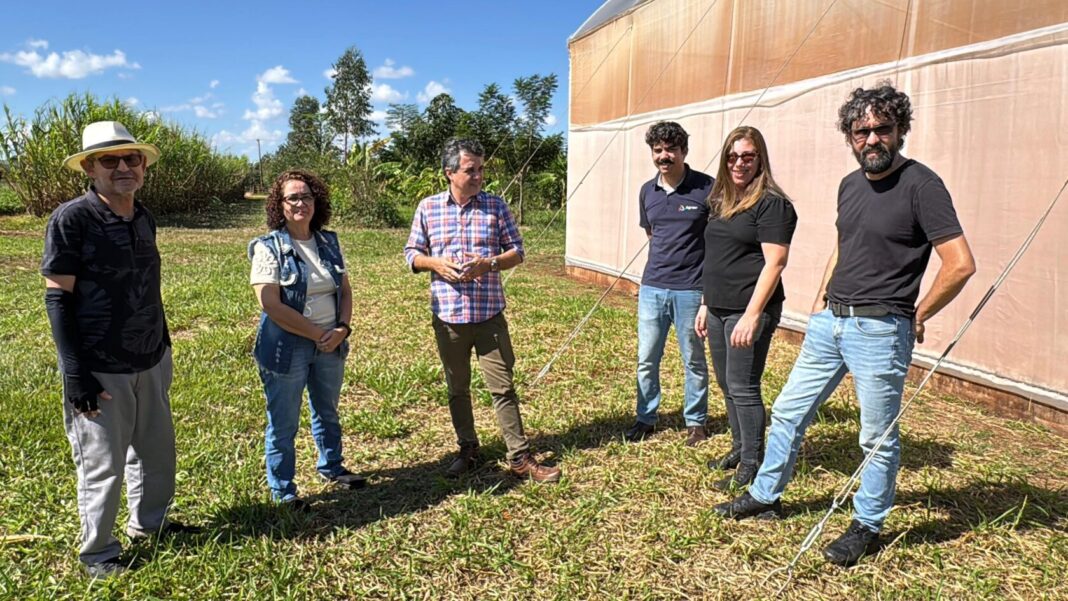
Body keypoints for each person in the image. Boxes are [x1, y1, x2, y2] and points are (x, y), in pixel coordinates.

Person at [714, 83, 977, 567]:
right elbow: (843, 247)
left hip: (880, 331)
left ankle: (867, 525)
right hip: (830, 323)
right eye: (862, 131)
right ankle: (766, 495)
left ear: (900, 130)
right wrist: (819, 305)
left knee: (875, 437)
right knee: (791, 412)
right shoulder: (850, 184)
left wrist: (917, 314)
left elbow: (960, 263)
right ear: (850, 135)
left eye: (882, 129)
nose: (872, 139)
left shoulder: (923, 185)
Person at [43, 121, 197, 579]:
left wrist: (164, 342)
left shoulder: (143, 215)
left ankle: (150, 527)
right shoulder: (72, 218)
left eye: (132, 158)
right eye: (109, 160)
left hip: (150, 357)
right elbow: (57, 298)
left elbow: (148, 285)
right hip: (100, 365)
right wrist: (76, 373)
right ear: (90, 168)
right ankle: (98, 553)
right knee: (102, 465)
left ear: (144, 166)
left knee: (156, 453)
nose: (123, 167)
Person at [404, 138, 560, 483]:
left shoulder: (495, 206)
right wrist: (435, 264)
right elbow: (411, 254)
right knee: (457, 387)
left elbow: (517, 252)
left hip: (489, 316)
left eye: (481, 169)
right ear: (450, 173)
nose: (478, 176)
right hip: (449, 318)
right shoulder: (428, 208)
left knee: (502, 387)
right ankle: (468, 448)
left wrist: (489, 263)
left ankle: (519, 458)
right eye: (470, 170)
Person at [249, 169, 366, 509]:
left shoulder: (328, 241)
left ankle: (332, 467)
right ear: (279, 205)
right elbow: (269, 303)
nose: (301, 203)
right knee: (283, 421)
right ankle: (283, 491)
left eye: (307, 196)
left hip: (331, 340)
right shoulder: (268, 247)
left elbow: (343, 289)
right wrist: (318, 334)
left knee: (327, 410)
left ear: (318, 201)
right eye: (293, 198)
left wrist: (342, 328)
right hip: (290, 345)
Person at [695, 126, 797, 490]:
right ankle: (740, 448)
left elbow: (775, 263)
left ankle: (753, 464)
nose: (739, 163)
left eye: (748, 156)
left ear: (760, 159)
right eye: (733, 156)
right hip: (719, 305)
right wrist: (706, 303)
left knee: (744, 385)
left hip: (749, 308)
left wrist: (753, 315)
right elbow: (716, 256)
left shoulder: (772, 204)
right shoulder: (721, 201)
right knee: (726, 383)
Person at [626, 121, 714, 446]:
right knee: (647, 357)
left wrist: (707, 295)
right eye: (658, 150)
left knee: (693, 358)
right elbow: (652, 234)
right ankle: (646, 418)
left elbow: (717, 240)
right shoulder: (647, 191)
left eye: (670, 149)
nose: (664, 156)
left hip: (691, 289)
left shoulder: (706, 188)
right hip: (652, 287)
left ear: (683, 151)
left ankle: (696, 422)